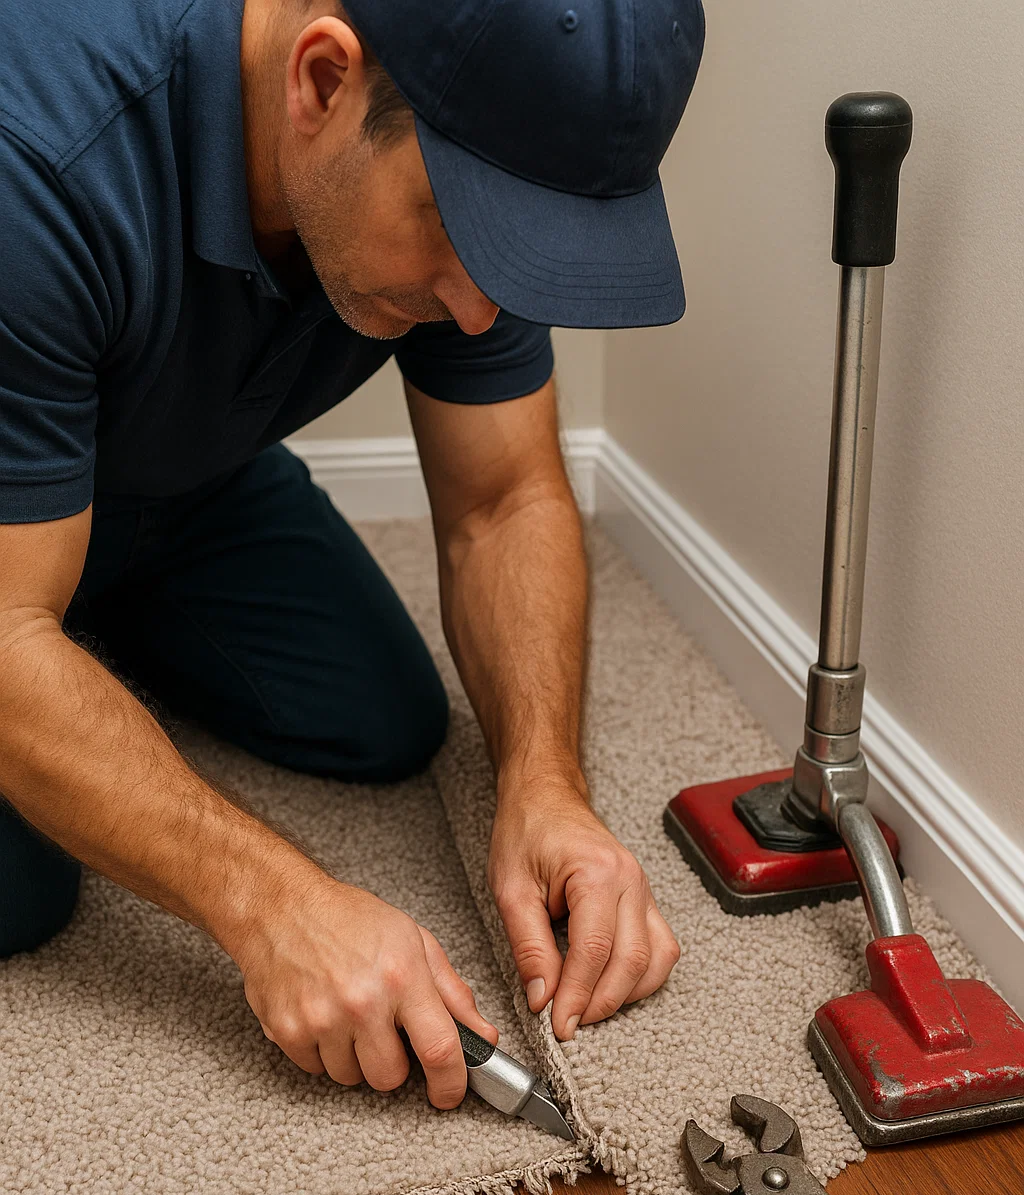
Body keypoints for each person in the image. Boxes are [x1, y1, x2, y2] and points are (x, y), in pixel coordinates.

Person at [0, 0, 704, 1109]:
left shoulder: (477, 179)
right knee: (20, 893)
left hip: (167, 474)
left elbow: (504, 498)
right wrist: (274, 904)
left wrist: (545, 785)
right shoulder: (35, 159)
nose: (480, 310)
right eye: (458, 231)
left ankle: (69, 596)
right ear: (323, 79)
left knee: (382, 721)